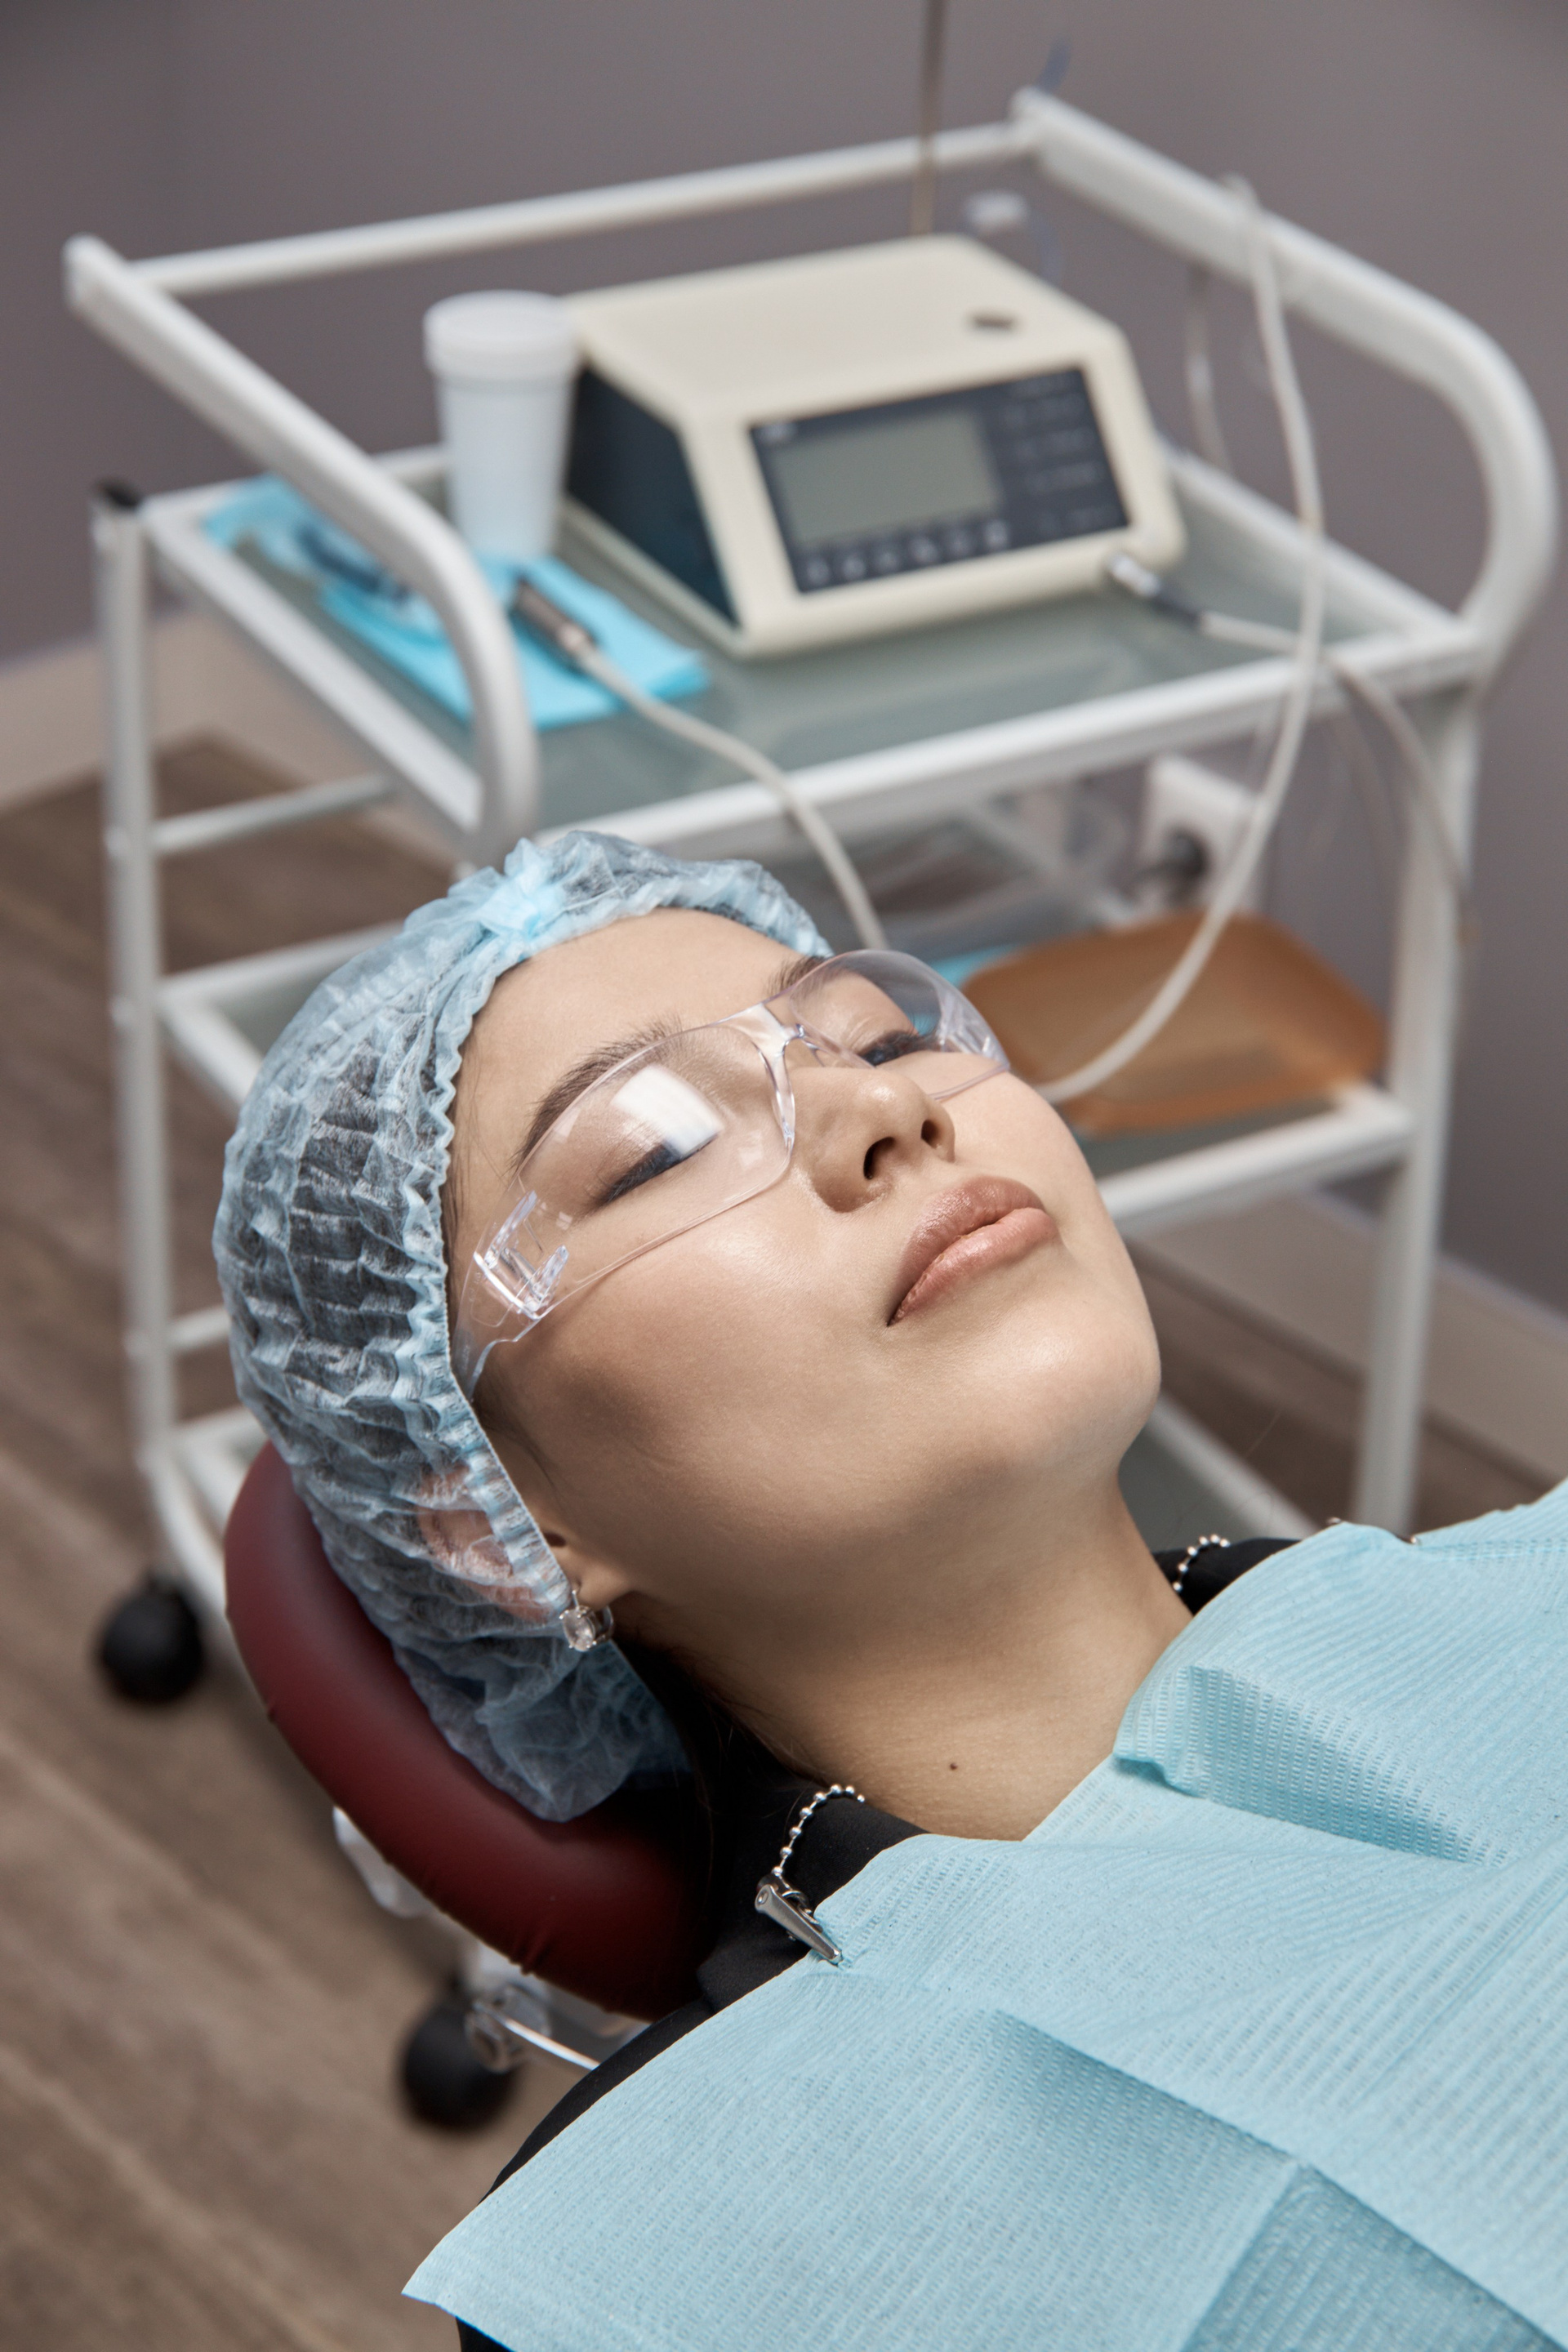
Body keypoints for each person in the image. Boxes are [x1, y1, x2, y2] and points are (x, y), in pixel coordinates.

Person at [217, 831, 1568, 2352]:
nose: (884, 1109)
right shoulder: (671, 2269)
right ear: (498, 1524)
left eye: (878, 1036)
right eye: (657, 1149)